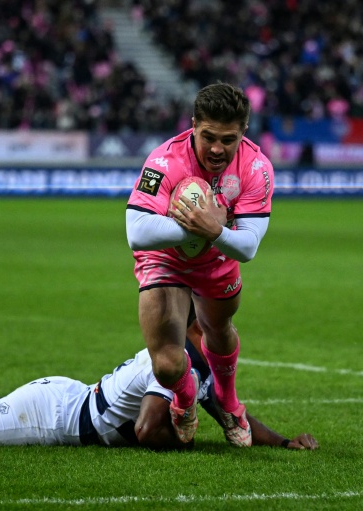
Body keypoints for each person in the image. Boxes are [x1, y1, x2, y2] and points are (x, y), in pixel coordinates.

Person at [0, 285, 318, 450]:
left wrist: (280, 441)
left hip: (66, 400)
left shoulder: (192, 358)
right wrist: (184, 440)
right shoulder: (176, 361)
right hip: (53, 417)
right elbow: (148, 428)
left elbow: (223, 407)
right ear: (197, 318)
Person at [126, 82, 274, 447]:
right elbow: (138, 232)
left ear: (244, 132)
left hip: (217, 258)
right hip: (165, 259)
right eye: (209, 137)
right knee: (165, 364)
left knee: (218, 328)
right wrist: (200, 225)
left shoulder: (256, 167)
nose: (218, 149)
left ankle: (228, 401)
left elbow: (248, 246)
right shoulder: (164, 160)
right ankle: (185, 397)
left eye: (229, 139)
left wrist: (214, 233)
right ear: (193, 124)